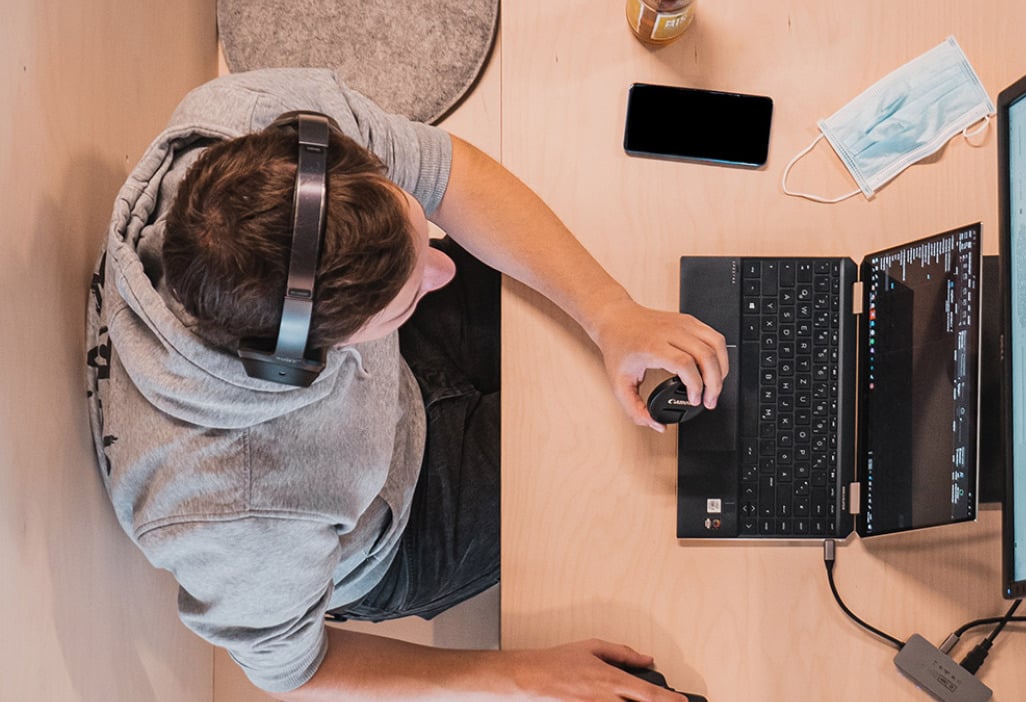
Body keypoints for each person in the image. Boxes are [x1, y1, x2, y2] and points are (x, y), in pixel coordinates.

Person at [86, 68, 727, 700]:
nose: (444, 270)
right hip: (404, 522)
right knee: (624, 484)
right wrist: (522, 675)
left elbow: (448, 177)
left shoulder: (249, 121)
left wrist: (610, 311)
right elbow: (296, 672)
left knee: (653, 335)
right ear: (311, 358)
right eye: (407, 295)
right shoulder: (238, 512)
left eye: (414, 228)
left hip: (397, 376)